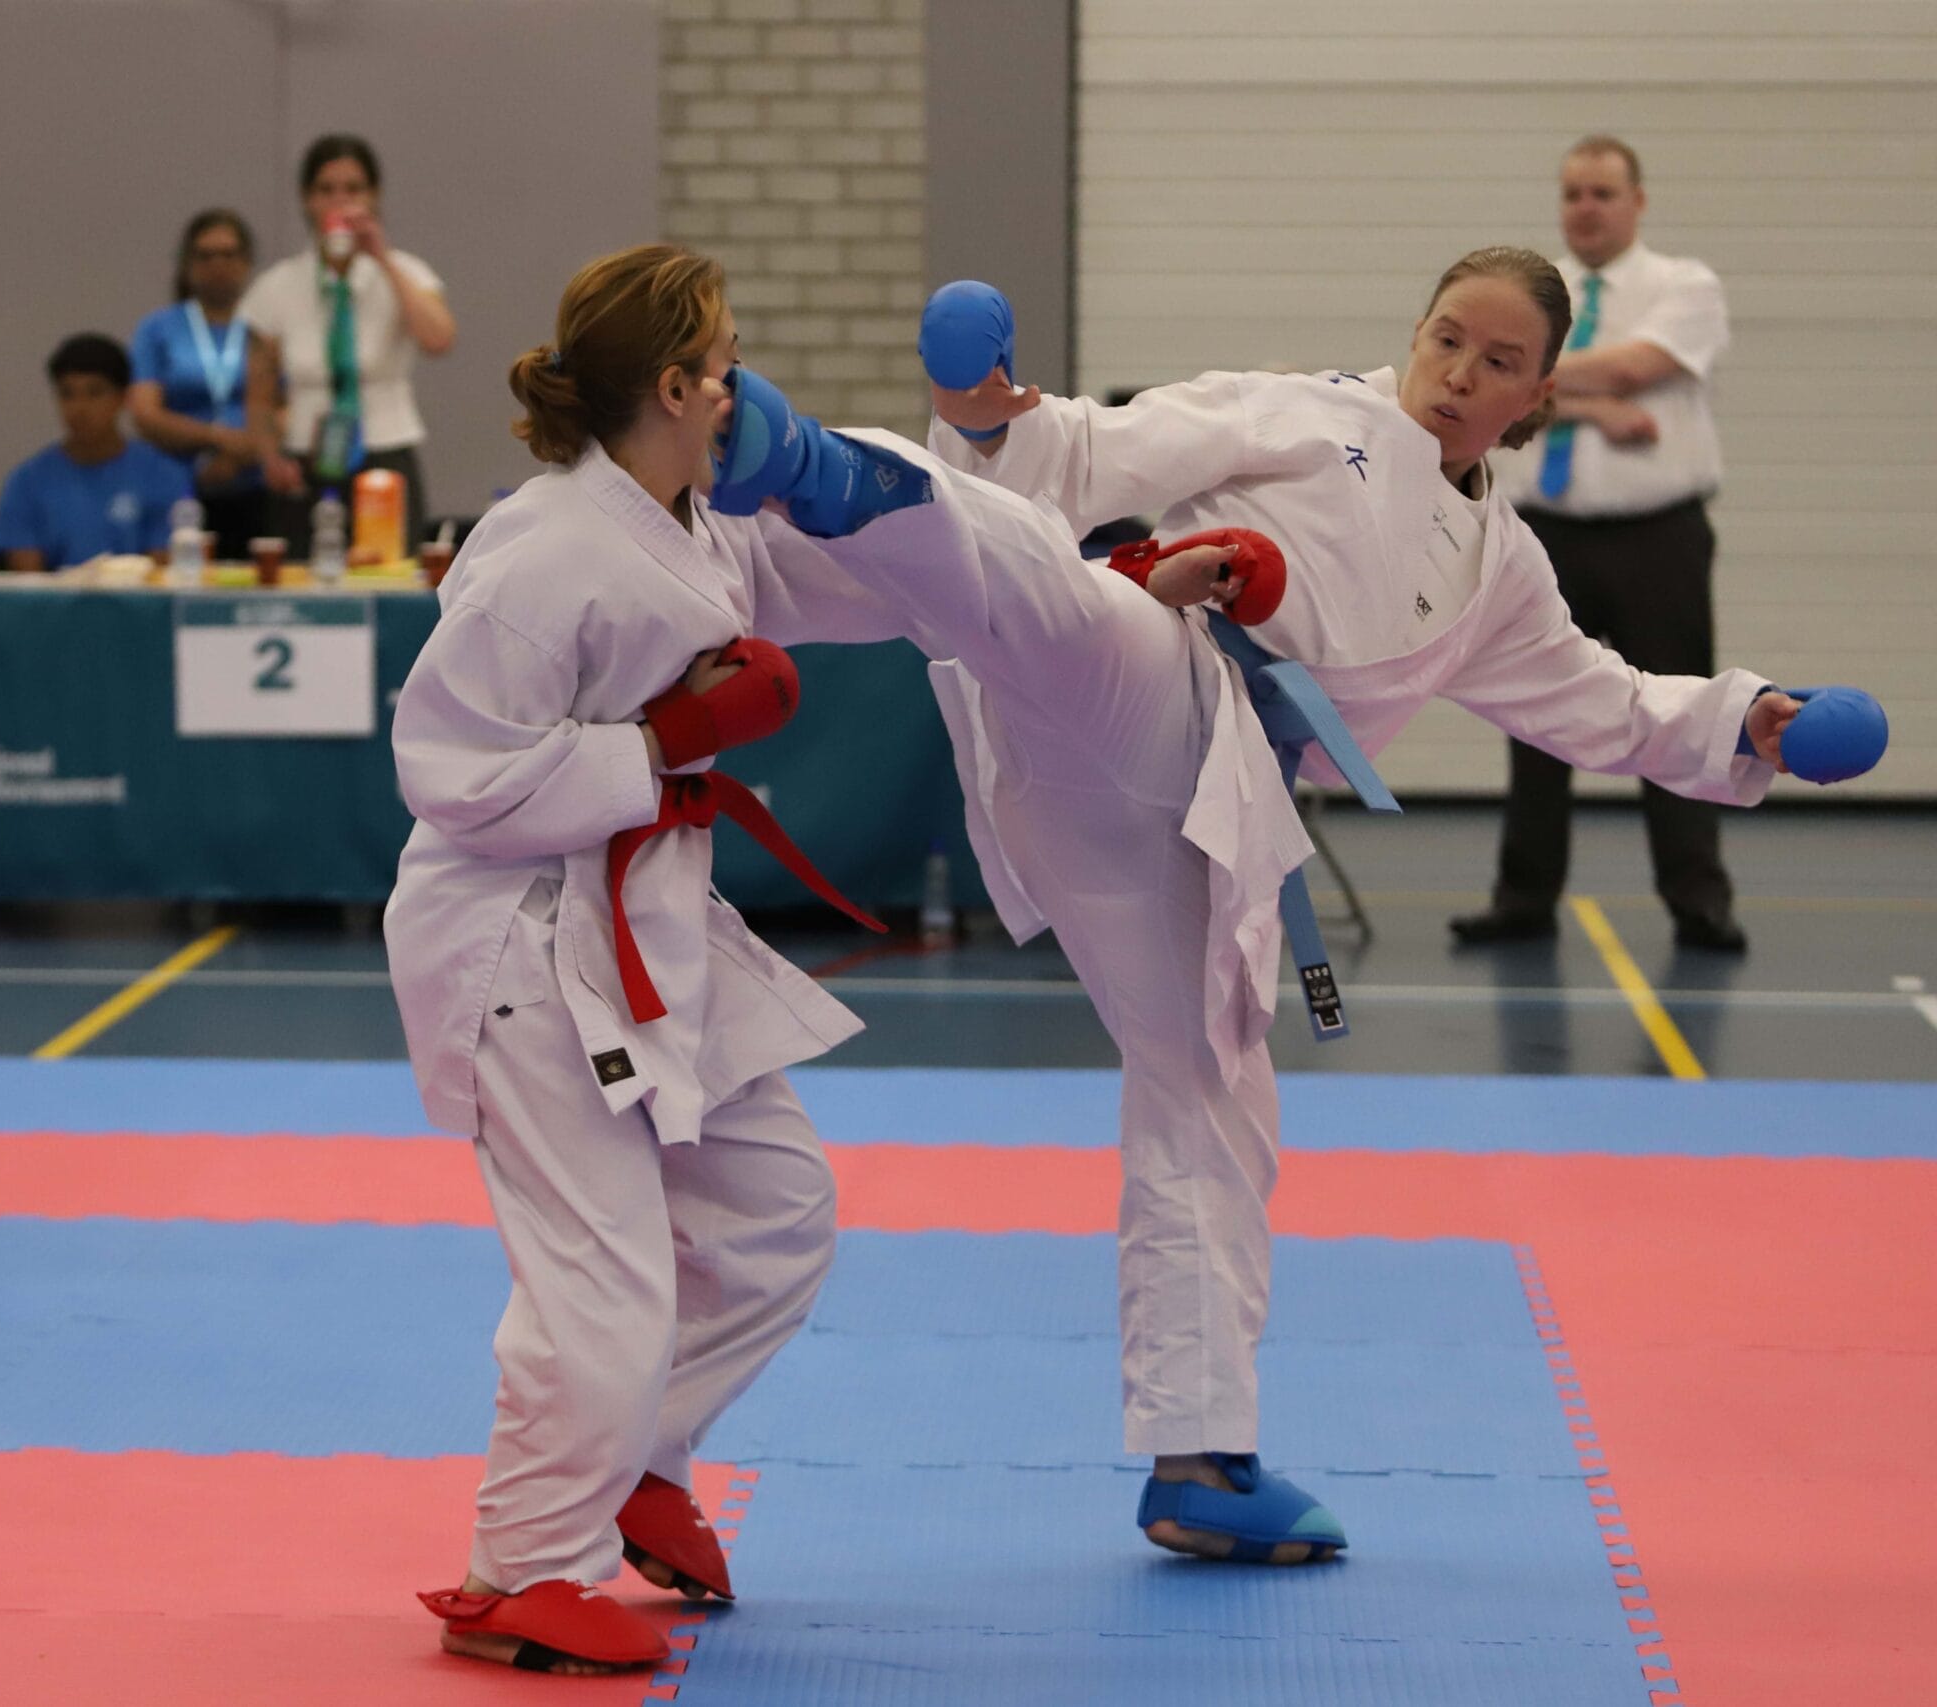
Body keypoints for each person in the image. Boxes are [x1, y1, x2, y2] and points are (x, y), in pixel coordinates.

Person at [697, 246, 1832, 1568]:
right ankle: (780, 489)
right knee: (1045, 596)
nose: (1459, 374)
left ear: (1537, 395)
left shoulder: (1501, 572)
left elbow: (1606, 700)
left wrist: (1744, 719)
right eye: (1447, 338)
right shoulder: (1300, 411)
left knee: (1212, 1094)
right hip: (1154, 685)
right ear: (1416, 330)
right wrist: (997, 414)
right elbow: (1100, 451)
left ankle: (1199, 1460)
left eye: (1499, 363)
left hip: (1209, 822)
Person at [385, 243, 914, 1676]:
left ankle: (639, 1454)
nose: (744, 383)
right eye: (727, 361)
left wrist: (1066, 565)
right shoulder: (548, 550)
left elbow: (860, 583)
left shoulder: (700, 517)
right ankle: (521, 1568)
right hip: (518, 941)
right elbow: (446, 770)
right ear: (675, 385)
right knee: (602, 1278)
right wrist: (665, 740)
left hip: (643, 923)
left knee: (778, 1210)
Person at [1454, 137, 1744, 950]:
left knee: (1680, 713)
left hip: (1658, 537)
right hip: (1542, 536)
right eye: (1573, 193)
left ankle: (1698, 899)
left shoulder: (1684, 286)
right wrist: (1591, 408)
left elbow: (1626, 369)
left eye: (1603, 193)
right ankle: (1523, 898)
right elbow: (1499, 400)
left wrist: (1543, 379)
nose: (1586, 208)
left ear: (1637, 202)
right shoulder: (1528, 293)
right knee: (1535, 718)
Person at [242, 134, 454, 551]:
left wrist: (381, 257)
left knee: (389, 572)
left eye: (354, 189)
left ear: (374, 197)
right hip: (306, 453)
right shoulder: (277, 285)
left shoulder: (408, 272)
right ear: (307, 199)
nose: (340, 201)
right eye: (326, 190)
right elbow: (259, 393)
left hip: (385, 447)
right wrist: (269, 456)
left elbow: (439, 338)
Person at [127, 209, 275, 554]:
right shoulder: (159, 329)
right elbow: (145, 413)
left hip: (257, 485)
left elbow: (289, 405)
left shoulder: (265, 329)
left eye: (228, 254)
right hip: (177, 485)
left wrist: (244, 451)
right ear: (187, 264)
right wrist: (215, 437)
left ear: (247, 261)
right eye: (205, 255)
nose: (217, 265)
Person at [0, 332, 192, 573]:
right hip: (53, 598)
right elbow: (27, 583)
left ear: (123, 398)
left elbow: (164, 576)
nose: (79, 408)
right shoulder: (26, 483)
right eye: (67, 394)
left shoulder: (163, 476)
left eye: (95, 392)